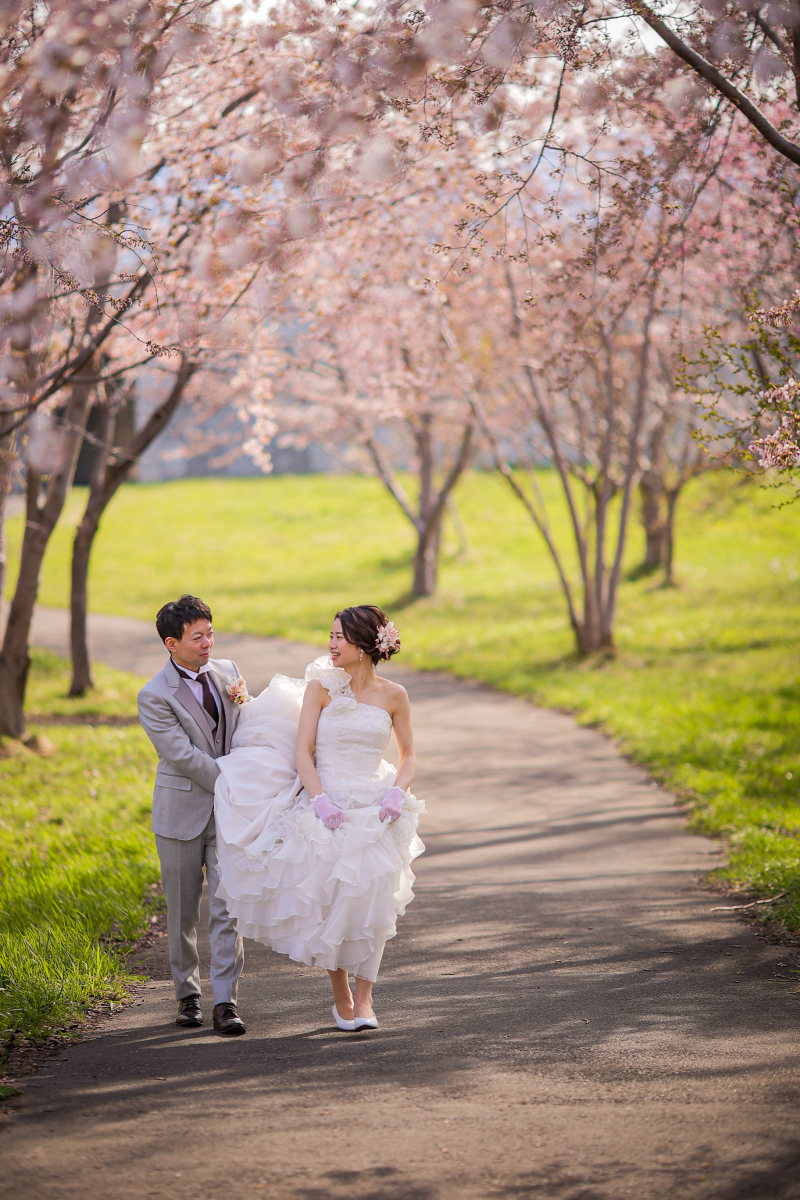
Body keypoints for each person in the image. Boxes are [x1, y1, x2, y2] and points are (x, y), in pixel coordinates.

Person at [214, 604, 425, 1031]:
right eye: (330, 636)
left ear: (366, 646)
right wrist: (320, 800)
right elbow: (302, 752)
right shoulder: (320, 688)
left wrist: (395, 794)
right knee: (334, 901)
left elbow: (408, 756)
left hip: (374, 806)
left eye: (339, 638)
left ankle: (365, 999)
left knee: (373, 899)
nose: (331, 645)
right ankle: (341, 994)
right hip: (326, 804)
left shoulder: (394, 695)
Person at [137, 595, 246, 1036]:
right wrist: (234, 780)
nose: (207, 643)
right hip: (181, 811)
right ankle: (187, 995)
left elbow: (245, 727)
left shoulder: (230, 673)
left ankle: (225, 1000)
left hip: (230, 816)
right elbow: (181, 755)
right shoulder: (154, 695)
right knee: (182, 913)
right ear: (171, 643)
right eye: (197, 636)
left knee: (227, 907)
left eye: (210, 633)